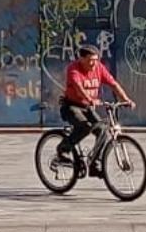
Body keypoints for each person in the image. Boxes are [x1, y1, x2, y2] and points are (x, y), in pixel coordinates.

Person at [56, 44, 133, 174]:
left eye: (96, 60)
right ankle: (63, 149)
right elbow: (78, 88)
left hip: (87, 107)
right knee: (85, 126)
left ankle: (94, 164)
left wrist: (125, 100)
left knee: (102, 130)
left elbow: (113, 84)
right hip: (71, 106)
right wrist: (90, 99)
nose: (93, 63)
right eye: (90, 60)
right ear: (81, 58)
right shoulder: (73, 69)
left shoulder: (99, 68)